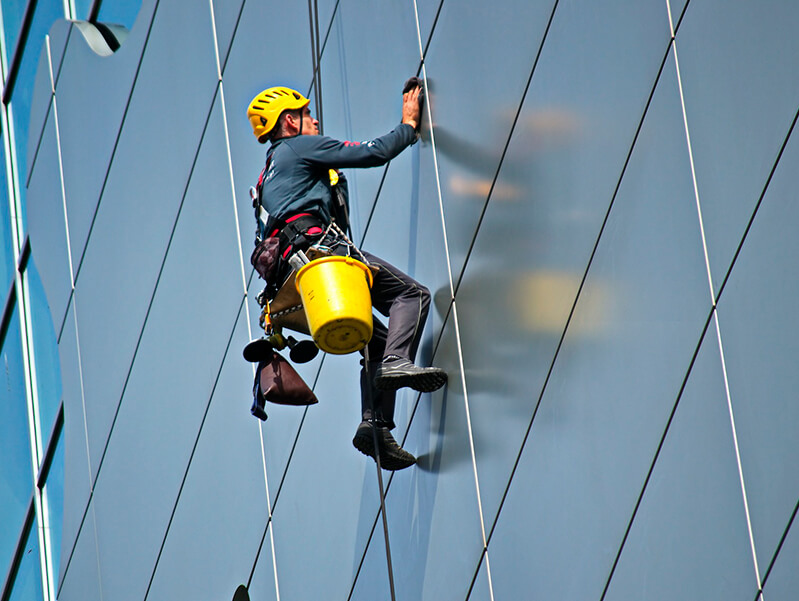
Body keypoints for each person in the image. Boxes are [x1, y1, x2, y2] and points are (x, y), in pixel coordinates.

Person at [246, 83, 447, 471]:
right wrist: (408, 125)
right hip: (322, 256)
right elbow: (372, 153)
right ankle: (397, 364)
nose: (315, 119)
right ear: (290, 121)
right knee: (412, 296)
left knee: (379, 339)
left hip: (294, 282)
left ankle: (375, 427)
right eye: (306, 114)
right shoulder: (297, 148)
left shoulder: (267, 176)